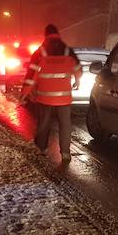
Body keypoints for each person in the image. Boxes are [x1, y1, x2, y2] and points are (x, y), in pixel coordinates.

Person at [20, 24, 81, 162]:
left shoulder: (40, 52)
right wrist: (77, 80)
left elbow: (31, 75)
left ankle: (42, 149)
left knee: (44, 122)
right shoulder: (67, 50)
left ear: (45, 35)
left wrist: (24, 93)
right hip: (64, 97)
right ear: (58, 34)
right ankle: (65, 152)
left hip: (45, 96)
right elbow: (77, 68)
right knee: (65, 124)